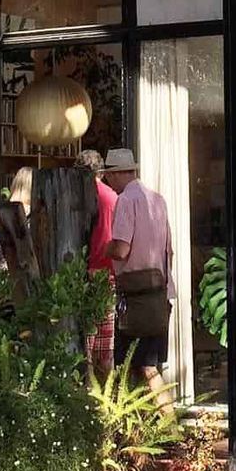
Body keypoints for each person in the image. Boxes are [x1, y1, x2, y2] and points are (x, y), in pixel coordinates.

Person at [103, 147, 173, 406]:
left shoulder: (126, 200)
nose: (108, 180)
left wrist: (105, 248)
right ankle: (152, 428)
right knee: (149, 364)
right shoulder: (158, 199)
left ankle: (168, 427)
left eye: (109, 175)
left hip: (136, 296)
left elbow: (121, 249)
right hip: (159, 291)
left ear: (120, 173)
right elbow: (169, 250)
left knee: (137, 367)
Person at [75, 148, 118, 377]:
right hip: (108, 273)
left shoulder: (78, 196)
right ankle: (108, 400)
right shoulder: (112, 197)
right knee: (105, 343)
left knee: (85, 342)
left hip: (84, 271)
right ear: (100, 172)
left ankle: (87, 395)